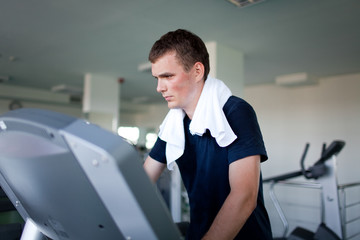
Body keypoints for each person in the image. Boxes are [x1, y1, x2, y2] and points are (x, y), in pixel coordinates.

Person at [143, 29, 272, 240]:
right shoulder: (174, 124)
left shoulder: (235, 112)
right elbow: (143, 179)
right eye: (157, 78)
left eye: (167, 76)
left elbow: (244, 196)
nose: (159, 87)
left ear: (197, 71)